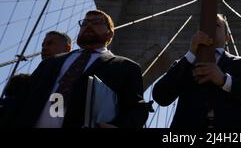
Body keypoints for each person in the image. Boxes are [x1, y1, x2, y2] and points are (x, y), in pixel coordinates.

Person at [12, 10, 148, 128]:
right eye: (84, 22)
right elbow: (21, 99)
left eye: (96, 22)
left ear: (110, 33)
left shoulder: (126, 67)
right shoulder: (50, 63)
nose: (88, 24)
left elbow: (137, 109)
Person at [152, 14, 241, 128]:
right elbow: (160, 96)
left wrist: (225, 81)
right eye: (205, 26)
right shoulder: (185, 63)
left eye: (216, 25)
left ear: (227, 37)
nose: (210, 28)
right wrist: (190, 55)